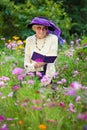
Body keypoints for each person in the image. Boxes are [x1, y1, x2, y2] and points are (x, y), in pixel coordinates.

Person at [24, 16, 61, 86]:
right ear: (34, 28)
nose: (41, 31)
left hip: (47, 73)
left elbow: (51, 57)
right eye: (39, 28)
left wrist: (35, 65)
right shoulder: (29, 40)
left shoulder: (53, 38)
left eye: (44, 28)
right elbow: (26, 60)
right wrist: (31, 68)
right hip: (31, 73)